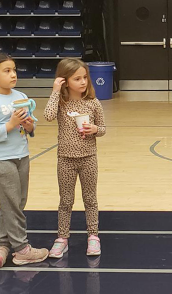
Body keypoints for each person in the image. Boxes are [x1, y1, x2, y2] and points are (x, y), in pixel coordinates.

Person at [0, 52, 49, 266]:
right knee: (12, 205)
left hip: (21, 156)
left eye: (14, 70)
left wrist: (28, 126)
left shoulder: (20, 96)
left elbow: (30, 126)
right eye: (7, 71)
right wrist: (8, 125)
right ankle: (22, 249)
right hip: (0, 160)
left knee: (16, 202)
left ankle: (3, 246)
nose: (13, 74)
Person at [45, 58, 106, 258]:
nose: (83, 82)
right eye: (77, 78)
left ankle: (93, 236)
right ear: (64, 80)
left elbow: (103, 129)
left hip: (89, 158)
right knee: (66, 200)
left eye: (85, 77)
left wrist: (95, 129)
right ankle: (62, 239)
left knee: (90, 199)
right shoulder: (61, 103)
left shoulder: (93, 103)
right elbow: (48, 115)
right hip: (65, 159)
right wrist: (55, 92)